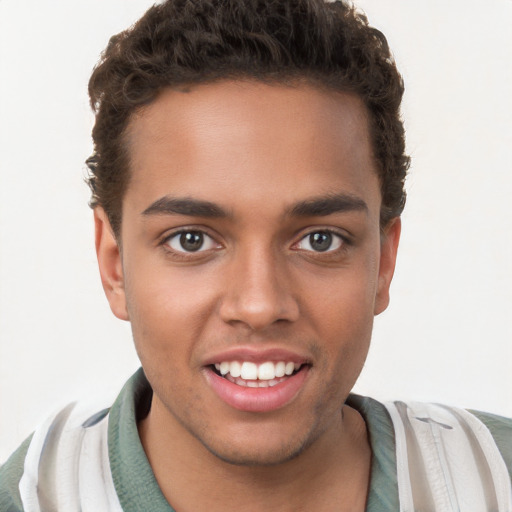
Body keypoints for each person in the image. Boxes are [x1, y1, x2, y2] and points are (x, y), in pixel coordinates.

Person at [1, 0, 510, 511]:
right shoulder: (31, 498)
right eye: (192, 240)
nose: (260, 305)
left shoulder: (495, 480)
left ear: (383, 262)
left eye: (320, 240)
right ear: (114, 265)